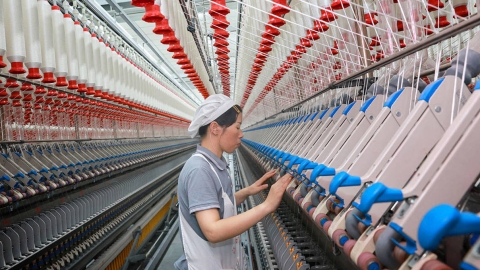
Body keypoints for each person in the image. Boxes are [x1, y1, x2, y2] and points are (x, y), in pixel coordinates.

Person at [174, 94, 292, 270]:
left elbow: (218, 203)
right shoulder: (199, 170)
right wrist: (266, 205)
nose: (241, 134)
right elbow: (212, 230)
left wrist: (247, 191)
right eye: (237, 127)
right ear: (215, 128)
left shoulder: (216, 164)